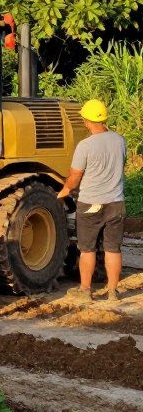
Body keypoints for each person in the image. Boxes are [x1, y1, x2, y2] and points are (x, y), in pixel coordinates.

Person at [56, 99, 126, 303]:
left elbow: (76, 176)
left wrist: (65, 190)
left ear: (87, 121)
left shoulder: (85, 146)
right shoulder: (119, 140)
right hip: (116, 203)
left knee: (87, 249)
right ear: (104, 118)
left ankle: (85, 291)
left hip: (90, 204)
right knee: (113, 248)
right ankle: (113, 292)